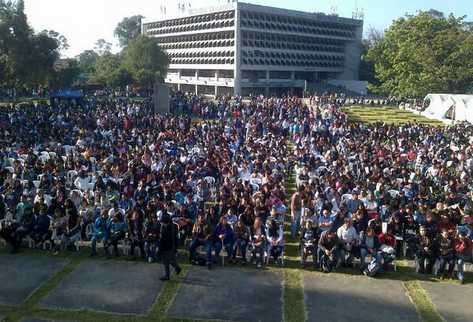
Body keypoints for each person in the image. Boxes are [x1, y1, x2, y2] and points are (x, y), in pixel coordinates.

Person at [158, 213, 181, 281]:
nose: (161, 223)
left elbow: (163, 240)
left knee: (166, 261)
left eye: (162, 222)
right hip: (169, 247)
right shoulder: (168, 226)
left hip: (168, 247)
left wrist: (159, 250)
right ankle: (176, 268)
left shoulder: (169, 229)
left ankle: (168, 275)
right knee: (170, 260)